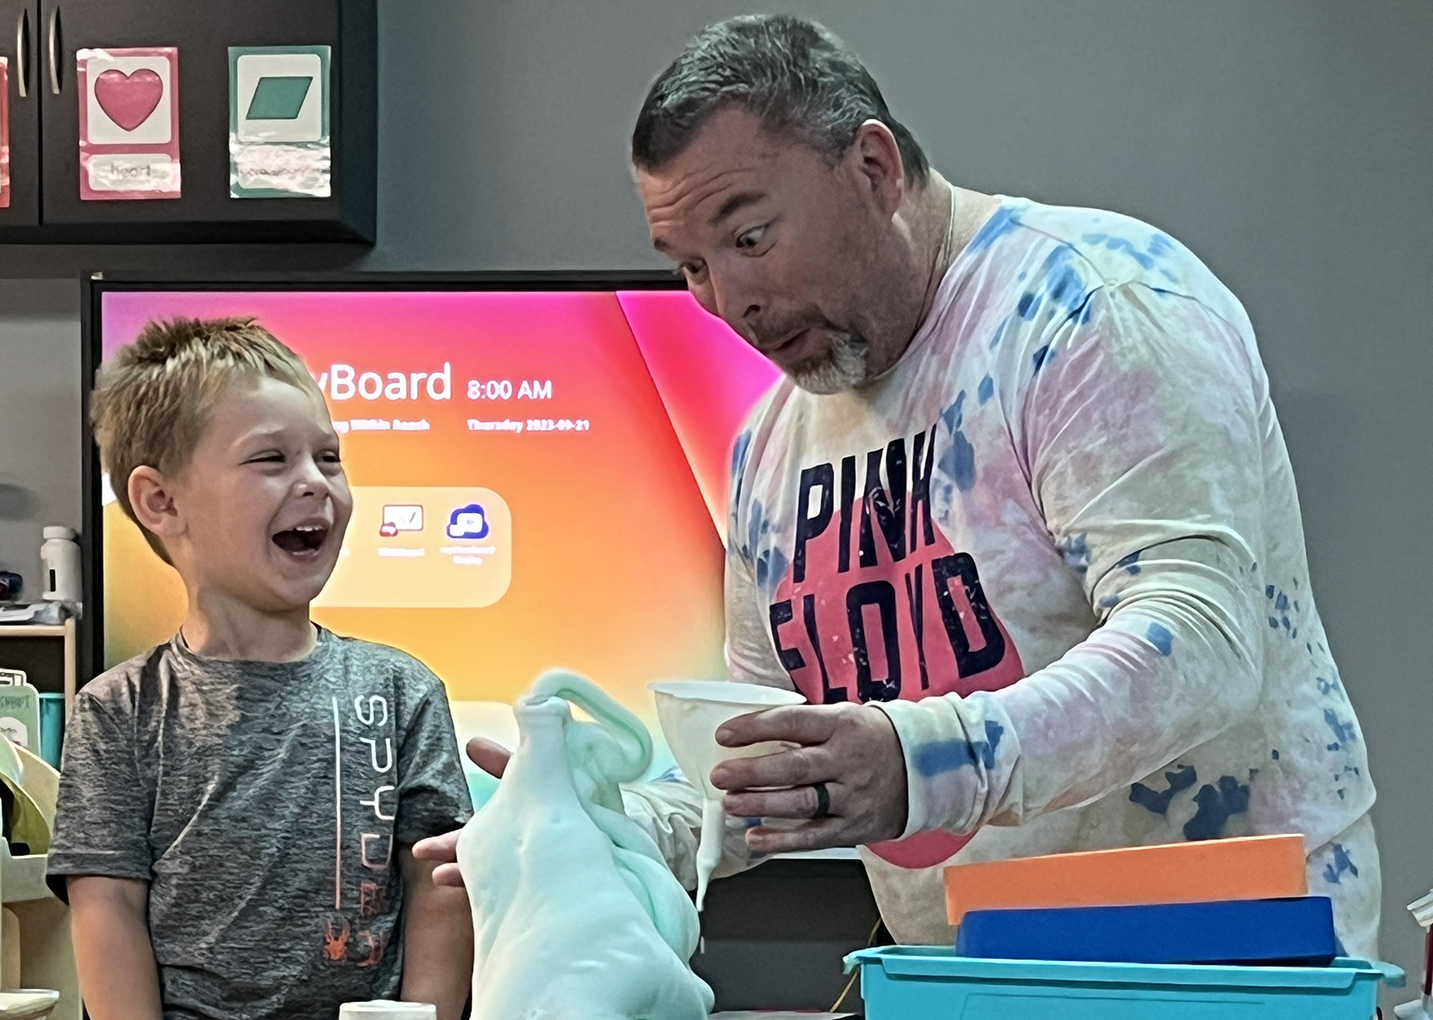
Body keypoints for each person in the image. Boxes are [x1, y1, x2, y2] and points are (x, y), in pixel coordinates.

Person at [418, 14, 1380, 956]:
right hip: (964, 969)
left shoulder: (1090, 307)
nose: (728, 304)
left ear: (874, 169)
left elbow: (1202, 641)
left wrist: (927, 764)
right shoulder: (766, 451)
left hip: (1229, 957)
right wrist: (619, 830)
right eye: (692, 268)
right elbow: (769, 759)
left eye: (749, 238)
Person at [47, 319, 474, 1020]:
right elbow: (108, 907)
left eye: (329, 458)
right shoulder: (117, 711)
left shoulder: (401, 691)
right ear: (162, 502)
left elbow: (440, 882)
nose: (315, 483)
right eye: (271, 459)